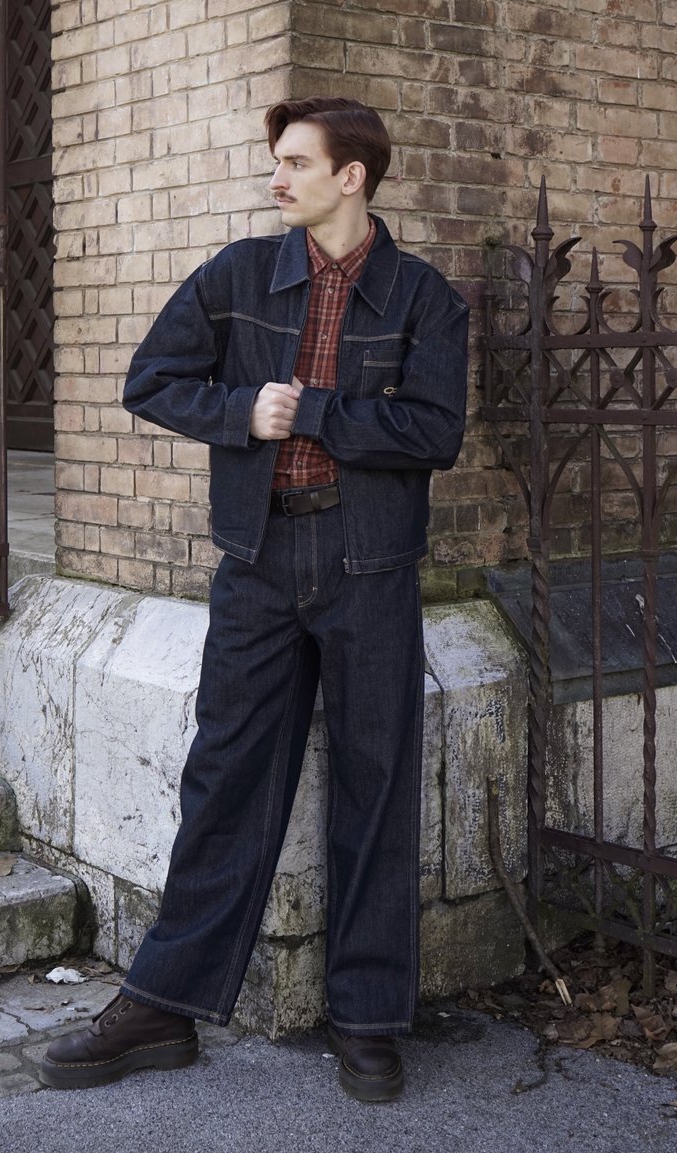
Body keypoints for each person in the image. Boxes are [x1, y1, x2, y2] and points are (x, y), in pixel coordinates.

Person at [40, 97, 469, 1103]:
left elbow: (433, 432)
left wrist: (311, 409)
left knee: (375, 781)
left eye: (293, 162)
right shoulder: (238, 276)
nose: (275, 179)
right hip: (258, 557)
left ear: (349, 176)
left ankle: (366, 1013)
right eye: (276, 163)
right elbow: (150, 380)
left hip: (370, 563)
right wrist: (243, 409)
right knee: (225, 774)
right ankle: (163, 1002)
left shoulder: (422, 297)